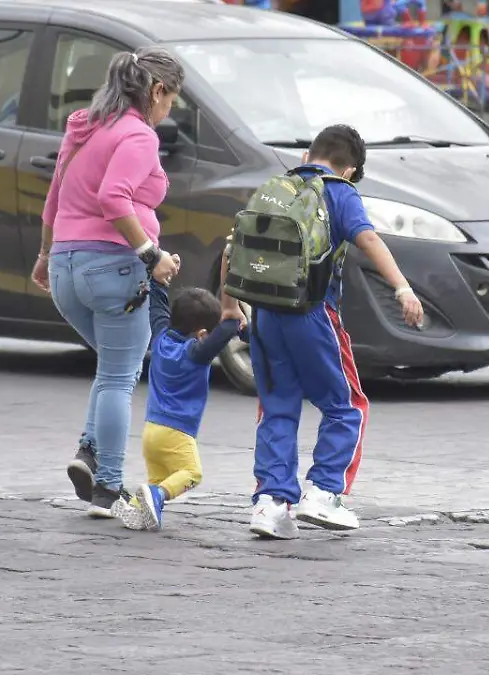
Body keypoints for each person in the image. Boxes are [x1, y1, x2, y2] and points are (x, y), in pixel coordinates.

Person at [245, 124, 424, 539]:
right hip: (312, 313)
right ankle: (323, 492)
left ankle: (270, 505)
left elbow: (235, 245)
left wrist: (226, 306)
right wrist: (402, 288)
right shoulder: (339, 192)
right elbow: (368, 239)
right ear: (350, 169)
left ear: (309, 153)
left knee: (277, 407)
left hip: (265, 315)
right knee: (347, 405)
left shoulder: (276, 187)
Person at [30, 47, 184, 518]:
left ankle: (89, 453)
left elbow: (54, 199)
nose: (170, 109)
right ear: (156, 91)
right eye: (171, 98)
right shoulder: (137, 136)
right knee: (120, 376)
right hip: (113, 268)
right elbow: (113, 198)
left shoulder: (84, 127)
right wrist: (151, 255)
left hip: (64, 268)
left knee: (111, 367)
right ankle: (109, 487)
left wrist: (43, 255)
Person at [112, 265, 249, 532]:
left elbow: (157, 307)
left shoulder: (161, 337)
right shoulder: (196, 354)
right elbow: (220, 337)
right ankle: (155, 497)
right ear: (202, 334)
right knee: (192, 474)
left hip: (151, 432)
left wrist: (159, 282)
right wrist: (235, 320)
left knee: (159, 479)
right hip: (177, 432)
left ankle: (139, 511)